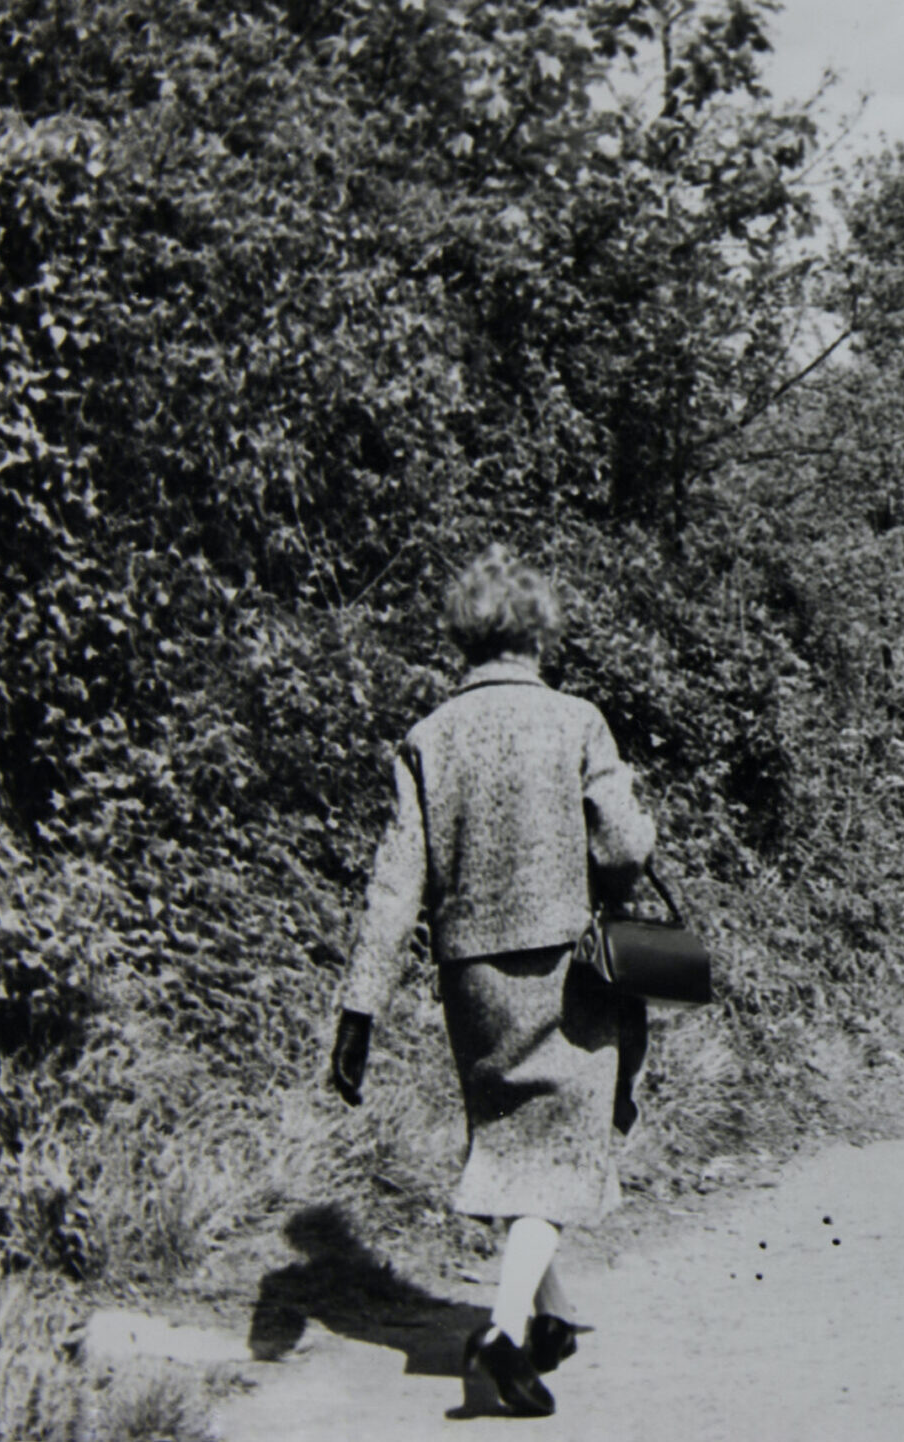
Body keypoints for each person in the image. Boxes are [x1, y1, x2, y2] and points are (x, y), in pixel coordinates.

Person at [327, 545, 656, 1419]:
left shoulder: (429, 737)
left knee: (517, 1141)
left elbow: (396, 880)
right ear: (537, 632)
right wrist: (639, 831)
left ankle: (554, 1316)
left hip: (469, 974)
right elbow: (623, 848)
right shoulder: (576, 720)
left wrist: (360, 1004)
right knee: (561, 1147)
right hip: (566, 970)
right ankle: (505, 1335)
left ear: (463, 637)